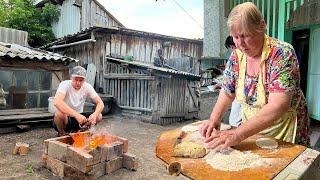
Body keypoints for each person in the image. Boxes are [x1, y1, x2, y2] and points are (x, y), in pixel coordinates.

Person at [199, 2, 310, 151]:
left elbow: (278, 105)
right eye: (236, 37)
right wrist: (214, 118)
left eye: (245, 35)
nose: (240, 44)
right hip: (250, 131)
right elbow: (227, 91)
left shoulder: (281, 53)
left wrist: (237, 134)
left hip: (283, 130)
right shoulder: (236, 57)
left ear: (262, 25)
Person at [53, 66, 104, 136]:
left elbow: (100, 103)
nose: (78, 83)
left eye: (81, 80)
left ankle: (84, 131)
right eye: (76, 80)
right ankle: (62, 133)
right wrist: (76, 115)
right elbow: (57, 102)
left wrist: (94, 115)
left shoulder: (87, 86)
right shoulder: (64, 84)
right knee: (59, 113)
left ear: (84, 80)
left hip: (80, 118)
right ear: (71, 78)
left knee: (99, 115)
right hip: (67, 119)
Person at [225, 36, 242, 127]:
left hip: (239, 93)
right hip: (238, 93)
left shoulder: (235, 54)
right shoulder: (236, 56)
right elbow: (227, 85)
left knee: (235, 121)